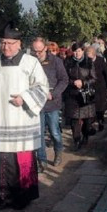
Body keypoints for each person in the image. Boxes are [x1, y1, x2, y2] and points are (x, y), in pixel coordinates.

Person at [0, 22, 49, 210]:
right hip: (0, 122)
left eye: (10, 43)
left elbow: (42, 87)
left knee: (22, 159)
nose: (6, 47)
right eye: (4, 43)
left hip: (22, 120)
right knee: (1, 160)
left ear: (19, 44)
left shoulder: (31, 63)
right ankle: (1, 198)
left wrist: (25, 98)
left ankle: (22, 199)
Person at [31, 37, 69, 170]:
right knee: (39, 134)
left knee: (54, 132)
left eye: (39, 51)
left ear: (45, 48)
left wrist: (54, 94)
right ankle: (42, 160)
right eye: (34, 51)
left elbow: (64, 80)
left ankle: (58, 150)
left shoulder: (56, 62)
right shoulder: (31, 62)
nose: (37, 54)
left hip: (52, 103)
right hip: (36, 104)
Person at [64, 42, 97, 150]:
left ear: (83, 51)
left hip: (85, 95)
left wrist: (83, 82)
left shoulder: (88, 61)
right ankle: (76, 139)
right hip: (72, 95)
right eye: (74, 51)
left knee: (87, 120)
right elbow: (64, 77)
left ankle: (85, 136)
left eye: (78, 51)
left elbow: (93, 78)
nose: (76, 53)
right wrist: (73, 82)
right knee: (74, 120)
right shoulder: (68, 61)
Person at [86, 46, 107, 132]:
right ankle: (92, 122)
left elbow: (106, 73)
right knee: (92, 105)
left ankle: (100, 120)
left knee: (101, 106)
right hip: (91, 86)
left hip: (101, 86)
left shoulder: (100, 60)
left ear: (94, 55)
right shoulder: (86, 62)